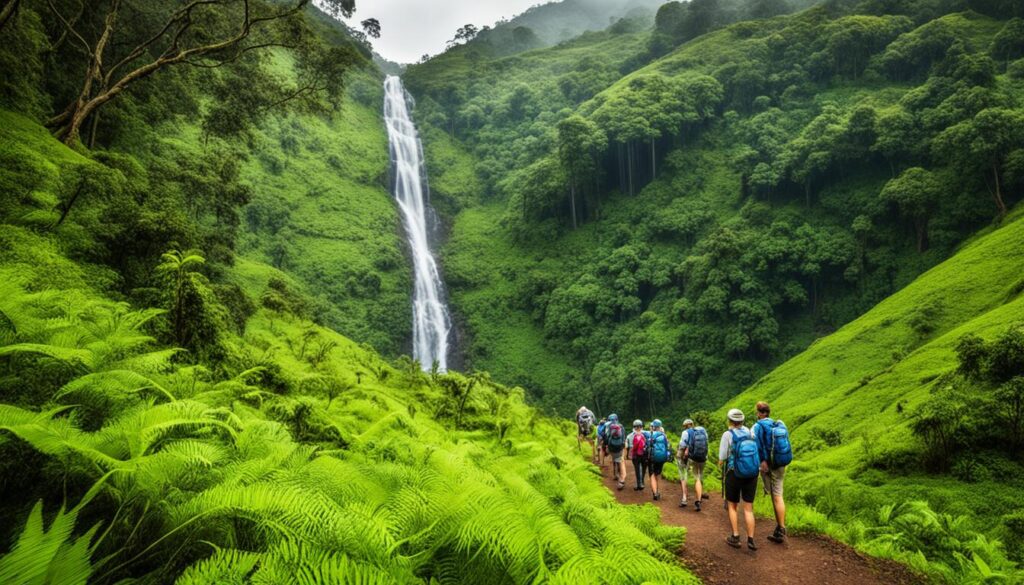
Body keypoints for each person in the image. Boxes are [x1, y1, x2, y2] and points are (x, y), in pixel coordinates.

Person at [719, 408, 759, 551]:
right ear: (742, 421)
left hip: (734, 473)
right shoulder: (750, 432)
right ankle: (751, 539)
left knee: (733, 506)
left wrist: (720, 463)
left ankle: (735, 537)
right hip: (752, 473)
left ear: (730, 421)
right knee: (748, 508)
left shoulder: (727, 434)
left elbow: (723, 456)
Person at [754, 401, 788, 543]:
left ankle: (781, 528)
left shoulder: (758, 426)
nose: (756, 414)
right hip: (781, 464)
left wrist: (762, 462)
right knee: (778, 494)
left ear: (762, 413)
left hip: (769, 465)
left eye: (757, 411)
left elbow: (756, 445)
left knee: (776, 497)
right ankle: (779, 527)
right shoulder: (776, 424)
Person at [676, 418, 708, 511]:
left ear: (685, 426)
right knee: (699, 476)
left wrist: (679, 458)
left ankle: (685, 499)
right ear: (692, 424)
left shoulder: (685, 433)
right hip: (703, 458)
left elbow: (682, 446)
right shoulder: (703, 431)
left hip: (692, 458)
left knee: (688, 477)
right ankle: (699, 498)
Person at [647, 419, 671, 501]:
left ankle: (655, 493)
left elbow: (648, 445)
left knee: (652, 474)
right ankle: (658, 490)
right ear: (660, 426)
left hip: (653, 457)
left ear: (653, 426)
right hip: (662, 457)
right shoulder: (664, 435)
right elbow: (667, 445)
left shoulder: (651, 434)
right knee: (658, 474)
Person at [603, 414, 627, 490]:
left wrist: (606, 446)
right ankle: (622, 480)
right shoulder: (621, 426)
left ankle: (615, 474)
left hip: (611, 447)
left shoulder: (607, 426)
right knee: (621, 461)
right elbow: (623, 437)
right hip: (619, 447)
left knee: (614, 459)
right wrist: (623, 445)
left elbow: (606, 438)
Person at [626, 419, 648, 491]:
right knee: (643, 468)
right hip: (644, 454)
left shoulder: (629, 436)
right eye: (638, 426)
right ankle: (641, 482)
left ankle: (639, 483)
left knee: (637, 469)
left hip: (635, 455)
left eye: (639, 426)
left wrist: (628, 455)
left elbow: (628, 446)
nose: (638, 428)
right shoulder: (646, 434)